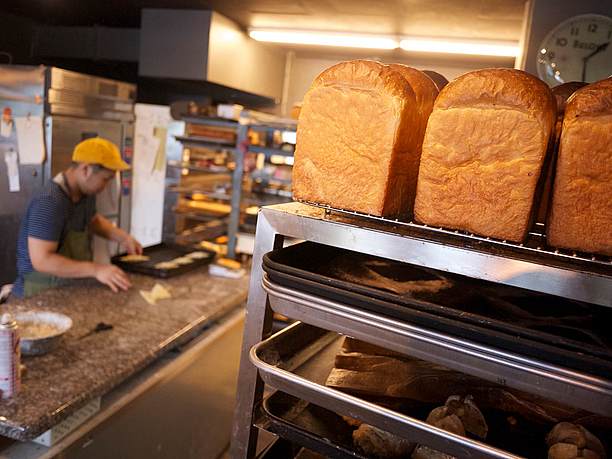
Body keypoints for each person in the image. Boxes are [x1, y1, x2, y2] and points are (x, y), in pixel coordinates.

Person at [12, 137, 142, 298]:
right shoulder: (50, 201)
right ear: (86, 170)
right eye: (105, 179)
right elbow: (42, 260)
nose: (106, 186)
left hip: (67, 287)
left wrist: (123, 237)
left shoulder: (85, 193)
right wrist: (97, 269)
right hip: (38, 292)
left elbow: (92, 220)